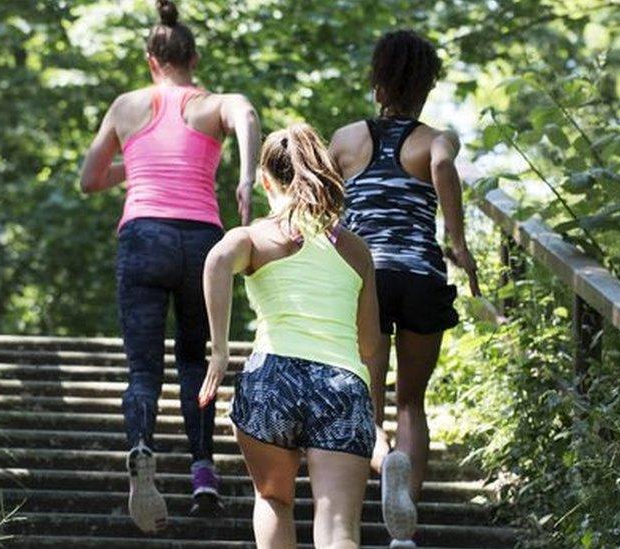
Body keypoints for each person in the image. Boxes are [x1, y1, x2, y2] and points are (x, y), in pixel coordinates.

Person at [79, 0, 260, 533]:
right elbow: (246, 114)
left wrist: (134, 168)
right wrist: (246, 177)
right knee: (193, 360)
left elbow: (89, 179)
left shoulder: (127, 107)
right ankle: (203, 472)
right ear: (193, 57)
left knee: (143, 369)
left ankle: (142, 449)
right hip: (201, 242)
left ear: (150, 59)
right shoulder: (211, 103)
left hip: (143, 237)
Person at [198, 124, 389, 548]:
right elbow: (371, 344)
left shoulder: (255, 237)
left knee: (273, 499)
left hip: (271, 378)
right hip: (340, 384)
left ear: (266, 180)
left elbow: (216, 260)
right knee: (338, 522)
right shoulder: (355, 248)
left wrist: (220, 350)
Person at [329, 29, 480, 544]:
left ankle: (381, 462)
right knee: (412, 401)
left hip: (364, 278)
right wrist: (458, 244)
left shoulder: (346, 140)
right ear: (426, 87)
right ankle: (405, 524)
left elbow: (323, 208)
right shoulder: (436, 140)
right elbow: (441, 164)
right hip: (419, 275)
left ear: (377, 85)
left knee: (366, 399)